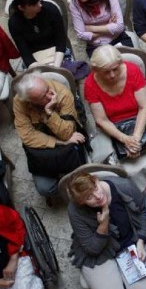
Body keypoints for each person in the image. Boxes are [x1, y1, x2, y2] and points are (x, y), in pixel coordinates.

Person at [67, 172, 146, 289]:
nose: (97, 197)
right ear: (81, 202)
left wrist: (140, 240)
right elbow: (92, 249)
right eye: (89, 197)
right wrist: (103, 225)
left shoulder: (123, 186)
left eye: (95, 188)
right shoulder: (75, 210)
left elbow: (142, 211)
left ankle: (117, 280)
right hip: (100, 252)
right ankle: (99, 280)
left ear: (96, 180)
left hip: (128, 242)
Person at [84, 45, 146, 182]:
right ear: (96, 70)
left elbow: (144, 107)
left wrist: (135, 139)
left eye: (115, 69)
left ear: (121, 63)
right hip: (112, 126)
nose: (112, 75)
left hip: (139, 117)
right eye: (106, 72)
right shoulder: (90, 84)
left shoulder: (132, 70)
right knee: (115, 168)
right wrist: (125, 139)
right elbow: (102, 120)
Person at [13, 72, 87, 202]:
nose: (50, 95)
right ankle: (68, 191)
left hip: (67, 136)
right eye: (43, 97)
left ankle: (78, 190)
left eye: (47, 89)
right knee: (44, 188)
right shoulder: (19, 102)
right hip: (44, 145)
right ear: (30, 100)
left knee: (82, 176)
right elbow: (27, 136)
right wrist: (59, 142)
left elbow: (68, 133)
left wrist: (50, 113)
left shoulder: (62, 94)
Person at [69, 0, 133, 55]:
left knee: (128, 64)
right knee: (106, 66)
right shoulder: (75, 4)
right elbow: (81, 34)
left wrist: (90, 28)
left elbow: (119, 27)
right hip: (96, 45)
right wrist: (108, 26)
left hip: (118, 39)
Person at [8, 0, 70, 68]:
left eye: (39, 0)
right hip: (34, 57)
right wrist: (42, 69)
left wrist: (56, 67)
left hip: (57, 51)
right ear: (21, 8)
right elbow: (25, 52)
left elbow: (61, 40)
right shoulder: (14, 23)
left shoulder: (51, 9)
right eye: (34, 4)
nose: (40, 4)